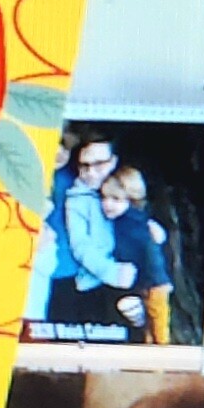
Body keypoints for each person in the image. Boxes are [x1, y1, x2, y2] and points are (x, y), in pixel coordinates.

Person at [45, 132, 137, 329]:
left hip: (129, 275)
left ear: (114, 161)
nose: (92, 173)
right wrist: (111, 271)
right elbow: (81, 245)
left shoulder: (125, 185)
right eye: (85, 166)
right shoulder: (77, 198)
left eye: (99, 164)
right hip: (95, 280)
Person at [99, 167, 172, 343]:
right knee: (149, 324)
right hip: (146, 281)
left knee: (158, 325)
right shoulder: (131, 220)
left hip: (152, 282)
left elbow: (147, 254)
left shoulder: (133, 224)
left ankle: (162, 355)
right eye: (104, 197)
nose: (108, 204)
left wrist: (158, 281)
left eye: (116, 199)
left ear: (131, 199)